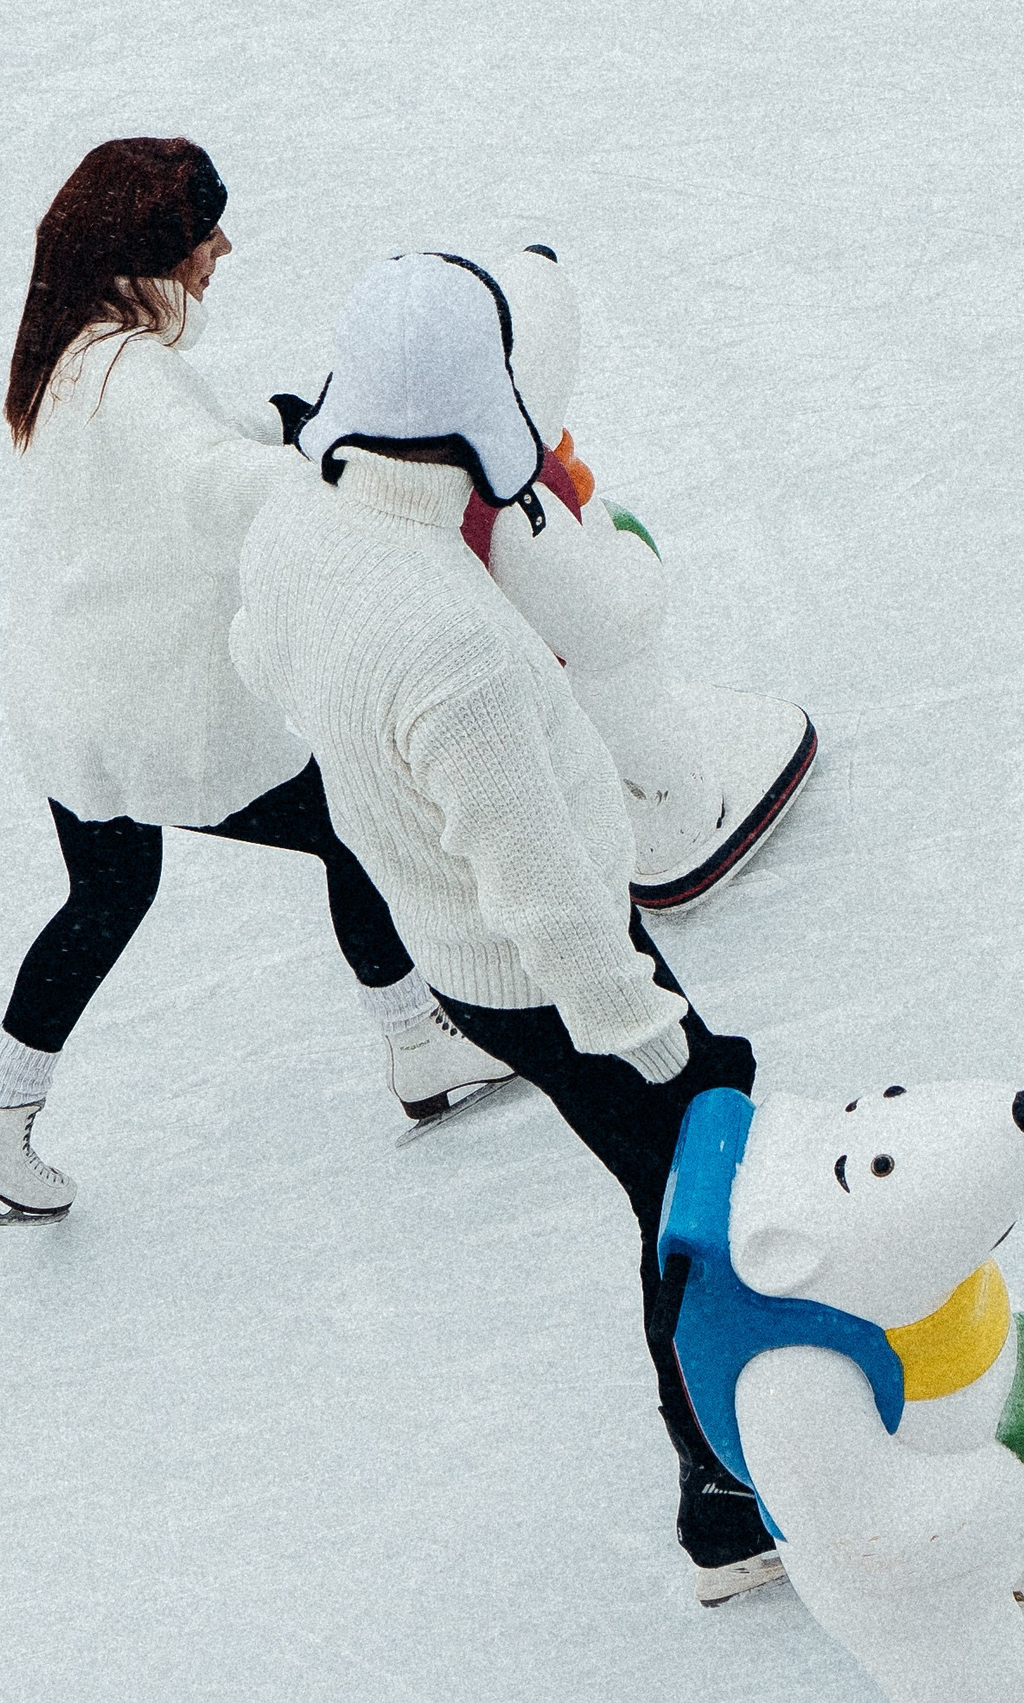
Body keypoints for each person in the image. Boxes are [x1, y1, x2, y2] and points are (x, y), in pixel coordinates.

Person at [228, 249, 783, 1604]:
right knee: (694, 1195)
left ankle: (734, 1458)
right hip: (538, 968)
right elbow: (548, 898)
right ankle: (724, 1493)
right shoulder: (454, 644)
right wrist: (662, 1047)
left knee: (691, 1164)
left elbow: (259, 658)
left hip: (453, 933)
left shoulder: (302, 519)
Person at [0, 138, 512, 1221]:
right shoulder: (131, 372)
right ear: (152, 249)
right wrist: (335, 460)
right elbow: (207, 480)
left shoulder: (74, 353)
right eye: (206, 233)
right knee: (350, 822)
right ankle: (419, 1046)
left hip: (70, 699)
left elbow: (180, 448)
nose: (223, 249)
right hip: (150, 708)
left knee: (106, 894)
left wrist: (283, 420)